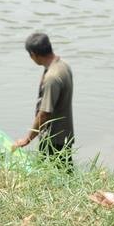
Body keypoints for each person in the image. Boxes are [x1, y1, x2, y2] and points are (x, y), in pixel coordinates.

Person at [12, 32, 75, 170]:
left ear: (34, 54)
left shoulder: (52, 77)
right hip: (65, 133)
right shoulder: (63, 65)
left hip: (54, 138)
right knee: (65, 171)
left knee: (57, 173)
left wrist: (27, 139)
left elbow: (44, 113)